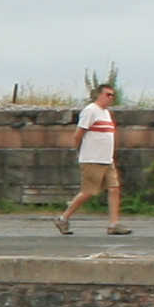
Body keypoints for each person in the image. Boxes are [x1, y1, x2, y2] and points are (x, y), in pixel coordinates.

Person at [56, 84, 125, 235]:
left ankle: (114, 224)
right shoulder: (90, 111)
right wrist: (77, 152)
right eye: (108, 94)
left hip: (107, 159)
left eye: (112, 95)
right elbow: (78, 134)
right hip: (92, 159)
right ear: (99, 95)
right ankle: (63, 218)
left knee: (114, 189)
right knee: (89, 192)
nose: (111, 98)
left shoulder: (106, 113)